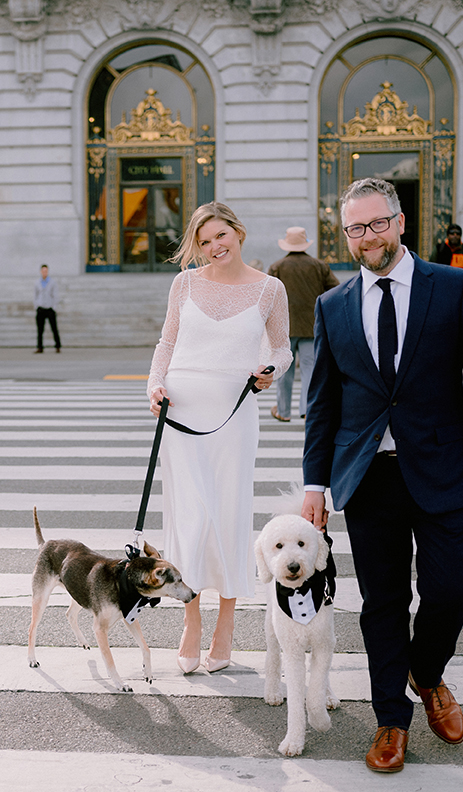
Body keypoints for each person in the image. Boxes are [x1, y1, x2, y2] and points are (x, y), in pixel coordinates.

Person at [301, 178, 463, 773]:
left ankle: (427, 672)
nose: (367, 237)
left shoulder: (455, 288)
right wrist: (315, 485)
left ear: (399, 222)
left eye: (376, 223)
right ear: (346, 235)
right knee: (383, 603)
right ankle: (391, 718)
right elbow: (323, 405)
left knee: (453, 585)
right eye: (354, 228)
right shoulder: (332, 305)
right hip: (368, 478)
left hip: (446, 470)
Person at [147, 202, 292, 674]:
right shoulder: (184, 283)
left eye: (220, 236)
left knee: (228, 513)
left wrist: (271, 369)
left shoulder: (271, 288)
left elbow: (282, 348)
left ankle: (225, 624)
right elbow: (167, 342)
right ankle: (192, 620)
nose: (214, 247)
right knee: (190, 517)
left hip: (234, 414)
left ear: (238, 231)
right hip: (182, 410)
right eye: (204, 241)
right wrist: (154, 383)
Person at [268, 227, 339, 421]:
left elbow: (269, 297)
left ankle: (283, 411)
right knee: (309, 370)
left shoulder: (277, 267)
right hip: (311, 326)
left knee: (284, 371)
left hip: (284, 328)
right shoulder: (319, 266)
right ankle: (307, 410)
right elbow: (335, 290)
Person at [33, 264, 61, 353]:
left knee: (54, 328)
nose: (44, 272)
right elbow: (35, 295)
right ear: (41, 271)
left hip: (49, 308)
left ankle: (57, 345)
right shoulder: (37, 282)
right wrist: (36, 306)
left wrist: (54, 307)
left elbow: (55, 295)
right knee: (40, 330)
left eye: (46, 271)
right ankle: (40, 347)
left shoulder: (52, 282)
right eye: (43, 271)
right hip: (41, 308)